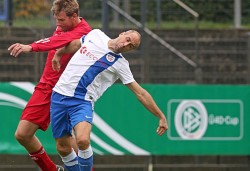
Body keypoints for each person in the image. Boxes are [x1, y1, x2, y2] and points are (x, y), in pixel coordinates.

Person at [50, 29, 169, 171]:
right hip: (59, 95)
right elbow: (76, 44)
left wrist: (161, 116)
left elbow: (141, 93)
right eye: (128, 39)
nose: (127, 44)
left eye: (131, 46)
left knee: (82, 140)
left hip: (82, 101)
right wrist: (59, 53)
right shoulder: (96, 34)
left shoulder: (121, 65)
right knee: (62, 148)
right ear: (122, 33)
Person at [7, 0, 91, 171]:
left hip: (66, 91)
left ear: (74, 16)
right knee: (22, 134)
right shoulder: (64, 26)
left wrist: (30, 47)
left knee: (66, 141)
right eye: (56, 20)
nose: (57, 24)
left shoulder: (84, 32)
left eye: (61, 20)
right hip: (45, 86)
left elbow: (57, 42)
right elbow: (57, 40)